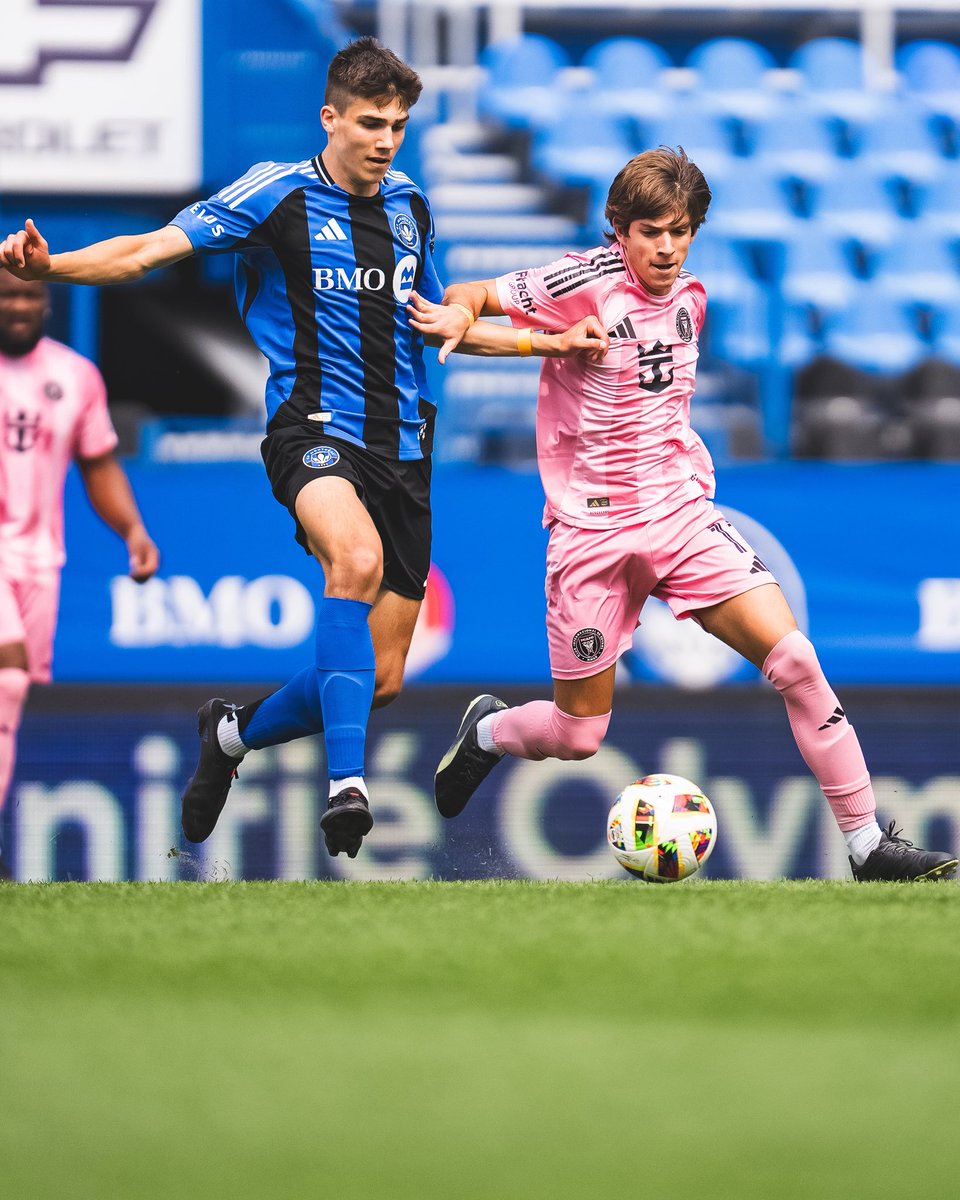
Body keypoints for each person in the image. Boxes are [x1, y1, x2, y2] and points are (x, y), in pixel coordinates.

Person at [0, 38, 605, 862]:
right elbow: (143, 252)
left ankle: (232, 738)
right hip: (311, 433)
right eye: (369, 123)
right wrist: (50, 267)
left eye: (397, 124)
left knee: (381, 680)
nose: (386, 140)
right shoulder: (274, 194)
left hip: (404, 453)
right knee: (349, 559)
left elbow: (440, 325)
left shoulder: (411, 206)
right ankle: (347, 787)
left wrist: (553, 343)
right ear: (330, 118)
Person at [410, 146, 958, 883]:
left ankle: (866, 844)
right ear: (619, 231)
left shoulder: (694, 297)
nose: (665, 247)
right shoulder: (581, 282)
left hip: (678, 515)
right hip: (591, 531)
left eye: (679, 230)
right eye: (649, 232)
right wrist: (523, 335)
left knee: (795, 659)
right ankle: (491, 728)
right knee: (578, 737)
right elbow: (472, 298)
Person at [0, 270, 159, 880]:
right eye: (7, 295)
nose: (19, 306)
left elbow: (97, 464)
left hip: (40, 561)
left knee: (11, 694)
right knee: (8, 680)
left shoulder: (73, 375)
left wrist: (134, 532)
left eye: (29, 296)